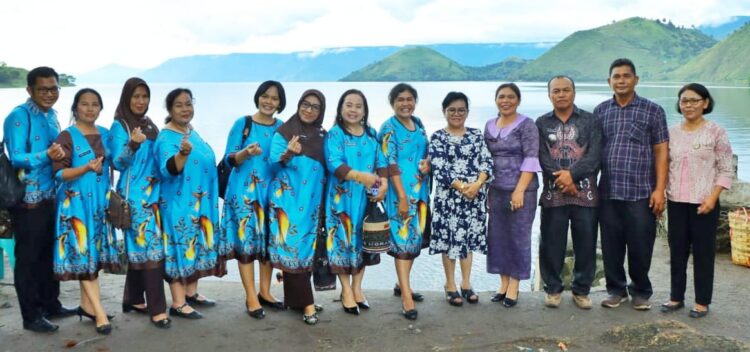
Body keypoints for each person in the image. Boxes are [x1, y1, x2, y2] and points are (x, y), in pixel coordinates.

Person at [3, 66, 76, 333]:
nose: (50, 93)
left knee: (48, 254)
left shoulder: (53, 115)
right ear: (29, 90)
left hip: (51, 196)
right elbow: (17, 157)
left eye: (54, 88)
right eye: (43, 89)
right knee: (28, 259)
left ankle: (51, 305)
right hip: (28, 200)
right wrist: (46, 155)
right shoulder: (18, 117)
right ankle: (31, 316)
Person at [595, 58, 669, 311]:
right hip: (609, 191)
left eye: (626, 76)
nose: (621, 80)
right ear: (609, 82)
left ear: (636, 80)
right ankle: (616, 290)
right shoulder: (601, 111)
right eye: (616, 76)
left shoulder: (653, 110)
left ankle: (640, 291)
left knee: (641, 244)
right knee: (611, 244)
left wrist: (660, 189)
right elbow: (594, 152)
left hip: (641, 191)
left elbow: (661, 151)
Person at [660, 83, 733, 318]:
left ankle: (702, 301)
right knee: (677, 251)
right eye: (684, 101)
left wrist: (713, 198)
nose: (688, 105)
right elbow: (664, 165)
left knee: (703, 253)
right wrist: (661, 192)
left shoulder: (716, 132)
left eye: (693, 100)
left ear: (705, 103)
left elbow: (725, 168)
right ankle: (676, 297)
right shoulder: (671, 132)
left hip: (705, 202)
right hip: (676, 201)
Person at [52, 88, 120, 334]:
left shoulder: (105, 134)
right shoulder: (66, 136)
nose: (90, 108)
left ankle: (86, 306)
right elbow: (59, 173)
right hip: (76, 206)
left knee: (92, 258)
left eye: (95, 104)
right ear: (75, 108)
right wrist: (85, 169)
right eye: (84, 104)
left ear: (101, 108)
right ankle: (100, 313)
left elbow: (118, 161)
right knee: (83, 254)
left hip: (99, 206)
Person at [154, 88, 225, 320]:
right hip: (178, 204)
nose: (185, 109)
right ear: (169, 109)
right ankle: (178, 302)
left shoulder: (191, 131)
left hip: (199, 203)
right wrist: (182, 155)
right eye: (179, 105)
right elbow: (168, 169)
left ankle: (191, 292)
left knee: (195, 245)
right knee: (179, 247)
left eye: (188, 103)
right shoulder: (166, 137)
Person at [108, 78, 170, 328]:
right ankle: (158, 309)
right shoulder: (119, 126)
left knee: (140, 246)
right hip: (134, 198)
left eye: (145, 96)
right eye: (136, 96)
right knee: (151, 248)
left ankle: (133, 299)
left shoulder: (151, 125)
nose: (141, 101)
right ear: (126, 98)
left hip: (155, 196)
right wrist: (132, 144)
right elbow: (117, 163)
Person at [220, 81, 286, 319]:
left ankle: (265, 292)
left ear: (281, 103)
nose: (269, 102)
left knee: (267, 244)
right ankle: (250, 296)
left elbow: (283, 161)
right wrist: (245, 152)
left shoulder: (282, 128)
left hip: (271, 195)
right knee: (246, 245)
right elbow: (228, 159)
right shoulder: (243, 124)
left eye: (275, 98)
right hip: (244, 195)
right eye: (265, 96)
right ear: (258, 97)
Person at [536, 76, 602, 310]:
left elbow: (594, 157)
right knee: (551, 243)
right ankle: (553, 289)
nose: (561, 94)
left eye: (566, 90)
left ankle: (581, 290)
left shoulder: (591, 120)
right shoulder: (542, 123)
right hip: (554, 196)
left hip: (586, 195)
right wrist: (564, 181)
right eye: (556, 91)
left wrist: (572, 177)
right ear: (549, 95)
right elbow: (542, 157)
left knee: (586, 243)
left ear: (574, 92)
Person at [323, 89, 388, 315]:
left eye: (358, 106)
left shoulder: (371, 133)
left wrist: (384, 184)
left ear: (365, 110)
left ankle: (358, 289)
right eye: (348, 105)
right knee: (342, 243)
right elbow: (334, 164)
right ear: (341, 109)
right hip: (340, 201)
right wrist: (361, 176)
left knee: (363, 242)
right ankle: (345, 291)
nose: (353, 110)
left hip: (365, 200)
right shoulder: (335, 135)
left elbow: (381, 161)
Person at [267, 89, 327, 325]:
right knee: (294, 250)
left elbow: (332, 165)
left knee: (305, 251)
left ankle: (296, 300)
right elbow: (272, 166)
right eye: (305, 104)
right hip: (288, 203)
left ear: (321, 111)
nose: (309, 110)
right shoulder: (284, 133)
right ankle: (308, 305)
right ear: (298, 104)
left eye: (315, 106)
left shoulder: (323, 135)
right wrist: (288, 154)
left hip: (312, 202)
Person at [428, 92, 492, 307]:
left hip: (473, 199)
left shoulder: (475, 135)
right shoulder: (437, 137)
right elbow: (439, 168)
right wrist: (463, 187)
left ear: (467, 112)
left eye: (461, 110)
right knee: (448, 242)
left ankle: (466, 283)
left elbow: (487, 161)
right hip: (448, 200)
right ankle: (450, 285)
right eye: (452, 110)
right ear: (444, 111)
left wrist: (477, 185)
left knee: (467, 241)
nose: (457, 114)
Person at [484, 83, 541, 308]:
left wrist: (519, 190)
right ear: (496, 100)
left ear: (518, 100)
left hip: (522, 190)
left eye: (510, 97)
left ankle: (514, 285)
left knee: (518, 236)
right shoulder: (489, 125)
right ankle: (503, 282)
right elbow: (485, 159)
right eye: (501, 97)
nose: (505, 101)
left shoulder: (527, 125)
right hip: (496, 189)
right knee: (498, 236)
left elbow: (531, 158)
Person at [378, 83, 430, 320]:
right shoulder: (388, 128)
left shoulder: (418, 123)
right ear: (392, 102)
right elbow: (389, 164)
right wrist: (400, 197)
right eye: (400, 99)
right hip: (400, 194)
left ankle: (402, 285)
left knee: (414, 242)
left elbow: (425, 154)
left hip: (420, 193)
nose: (405, 103)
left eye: (410, 99)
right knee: (401, 243)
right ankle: (406, 297)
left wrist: (427, 165)